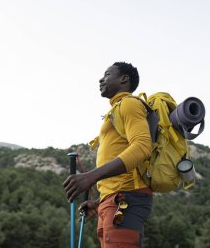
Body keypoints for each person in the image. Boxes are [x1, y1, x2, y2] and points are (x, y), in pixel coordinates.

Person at [63, 62, 153, 248]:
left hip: (125, 200)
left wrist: (91, 177)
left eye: (107, 74)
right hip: (113, 201)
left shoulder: (129, 104)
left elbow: (143, 147)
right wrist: (97, 203)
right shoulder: (117, 109)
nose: (101, 79)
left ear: (124, 79)